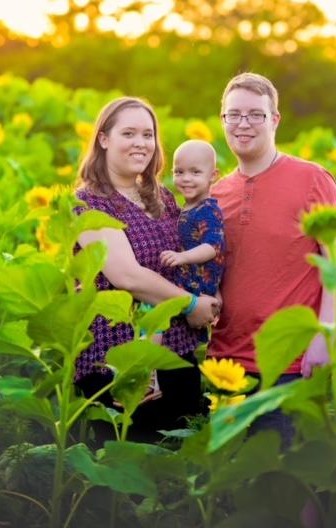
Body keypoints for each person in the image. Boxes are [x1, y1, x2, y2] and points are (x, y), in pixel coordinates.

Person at [208, 72, 336, 445]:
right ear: (222, 120)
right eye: (233, 114)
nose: (243, 124)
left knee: (290, 484)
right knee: (236, 488)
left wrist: (327, 336)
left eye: (255, 114)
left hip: (293, 364)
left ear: (275, 120)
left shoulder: (312, 179)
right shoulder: (216, 194)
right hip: (226, 366)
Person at [73, 96, 219, 443]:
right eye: (129, 133)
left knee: (180, 471)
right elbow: (127, 276)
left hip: (174, 352)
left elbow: (187, 257)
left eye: (148, 134)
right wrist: (191, 304)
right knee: (131, 468)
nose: (141, 143)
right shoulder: (89, 203)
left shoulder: (163, 198)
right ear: (104, 139)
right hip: (119, 362)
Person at [160, 139, 225, 344]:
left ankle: (147, 369)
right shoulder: (185, 208)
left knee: (155, 309)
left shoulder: (208, 210)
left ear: (213, 176)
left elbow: (212, 247)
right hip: (189, 279)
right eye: (179, 172)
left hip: (197, 282)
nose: (186, 179)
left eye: (195, 172)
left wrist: (182, 257)